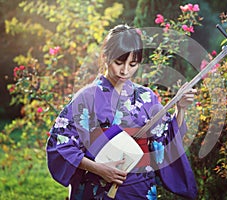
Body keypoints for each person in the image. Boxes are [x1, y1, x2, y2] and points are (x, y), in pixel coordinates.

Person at [46, 24, 198, 200]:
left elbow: (166, 138)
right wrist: (99, 169)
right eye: (119, 62)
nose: (125, 70)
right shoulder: (86, 98)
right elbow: (61, 145)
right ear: (105, 56)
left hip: (140, 187)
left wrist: (181, 109)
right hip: (97, 186)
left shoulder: (146, 97)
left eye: (132, 64)